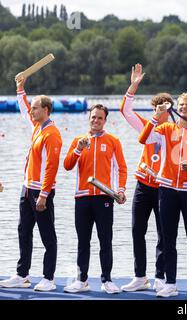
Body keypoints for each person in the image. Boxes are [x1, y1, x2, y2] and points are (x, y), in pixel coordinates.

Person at [138, 85, 187, 298]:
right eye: (181, 105)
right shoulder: (167, 129)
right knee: (168, 238)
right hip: (168, 189)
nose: (185, 108)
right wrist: (156, 115)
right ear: (176, 108)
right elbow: (143, 139)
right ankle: (170, 282)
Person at [0, 73, 62, 291]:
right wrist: (20, 89)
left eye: (35, 108)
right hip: (26, 189)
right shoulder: (38, 127)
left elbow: (51, 167)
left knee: (47, 235)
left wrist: (44, 194)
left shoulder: (52, 134)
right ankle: (22, 274)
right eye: (33, 107)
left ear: (45, 110)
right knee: (23, 231)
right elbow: (24, 111)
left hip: (40, 192)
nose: (32, 110)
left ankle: (49, 278)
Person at [63, 104, 127, 294]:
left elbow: (121, 168)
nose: (96, 121)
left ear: (105, 120)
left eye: (100, 118)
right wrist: (78, 150)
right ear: (88, 118)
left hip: (104, 198)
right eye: (93, 117)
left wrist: (120, 190)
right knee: (83, 240)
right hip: (82, 198)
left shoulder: (113, 141)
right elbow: (67, 165)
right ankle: (81, 280)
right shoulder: (78, 141)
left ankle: (107, 280)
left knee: (105, 239)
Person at [119, 64, 168, 293]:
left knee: (163, 233)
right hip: (143, 185)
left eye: (163, 108)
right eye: (156, 108)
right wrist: (134, 85)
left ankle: (161, 276)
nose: (158, 111)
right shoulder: (147, 126)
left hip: (163, 187)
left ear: (170, 109)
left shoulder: (176, 129)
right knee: (137, 230)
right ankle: (140, 276)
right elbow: (125, 111)